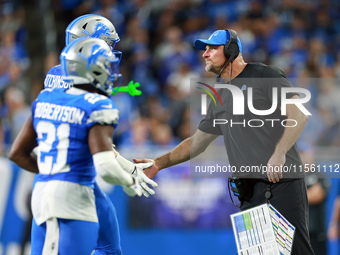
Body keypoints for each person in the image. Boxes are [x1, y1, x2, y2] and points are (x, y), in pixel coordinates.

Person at [135, 29, 314, 254]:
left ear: (231, 50)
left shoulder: (264, 75)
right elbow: (197, 142)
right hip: (248, 191)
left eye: (212, 48)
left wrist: (280, 152)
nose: (205, 54)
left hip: (281, 184)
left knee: (295, 252)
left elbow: (299, 114)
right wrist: (158, 164)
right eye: (205, 49)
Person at [10, 15, 157, 255]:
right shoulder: (92, 99)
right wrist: (128, 174)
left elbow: (20, 150)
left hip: (50, 179)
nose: (111, 55)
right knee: (108, 247)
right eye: (107, 46)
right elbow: (91, 143)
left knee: (107, 245)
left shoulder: (54, 84)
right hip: (72, 182)